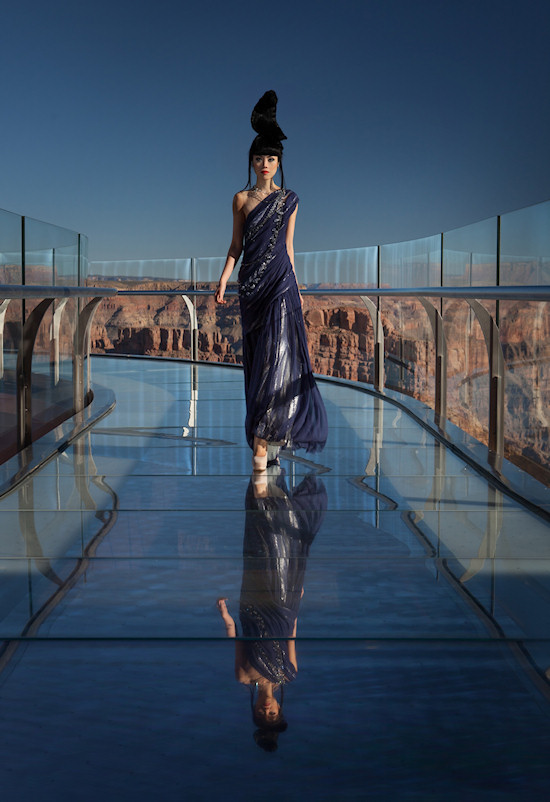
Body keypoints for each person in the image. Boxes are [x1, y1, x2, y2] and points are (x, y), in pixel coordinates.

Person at [215, 90, 327, 471]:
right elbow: (235, 246)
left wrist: (296, 285)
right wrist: (223, 280)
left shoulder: (291, 200)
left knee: (279, 361)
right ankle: (266, 439)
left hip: (280, 286)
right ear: (252, 161)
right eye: (260, 158)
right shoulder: (241, 199)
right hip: (250, 289)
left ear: (280, 163)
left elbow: (290, 248)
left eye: (272, 158)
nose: (266, 163)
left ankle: (263, 446)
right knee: (259, 361)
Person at [216, 470, 328, 751]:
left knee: (258, 549)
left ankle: (264, 482)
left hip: (252, 604)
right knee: (282, 551)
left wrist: (225, 615)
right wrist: (297, 599)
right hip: (282, 604)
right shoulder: (289, 674)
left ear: (254, 710)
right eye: (273, 714)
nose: (267, 710)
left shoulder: (244, 677)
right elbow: (291, 634)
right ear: (279, 707)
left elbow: (236, 638)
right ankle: (277, 480)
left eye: (262, 714)